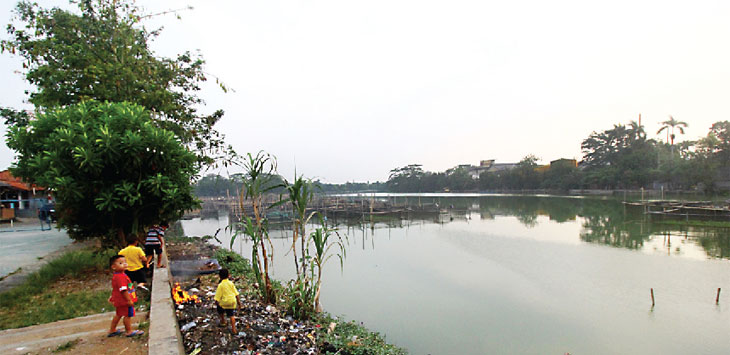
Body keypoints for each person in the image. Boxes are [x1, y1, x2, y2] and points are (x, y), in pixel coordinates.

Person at [108, 255, 144, 337]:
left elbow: (115, 288)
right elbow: (123, 290)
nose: (124, 264)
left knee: (119, 314)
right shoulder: (121, 277)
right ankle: (129, 331)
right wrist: (129, 300)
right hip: (124, 301)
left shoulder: (118, 275)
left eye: (125, 262)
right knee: (128, 315)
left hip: (119, 300)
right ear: (113, 267)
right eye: (121, 263)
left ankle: (112, 330)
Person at [214, 268, 240, 334]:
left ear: (219, 276)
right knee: (231, 315)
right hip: (232, 302)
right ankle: (234, 329)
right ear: (228, 275)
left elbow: (217, 297)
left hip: (224, 303)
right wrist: (239, 303)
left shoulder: (220, 285)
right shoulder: (231, 283)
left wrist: (216, 303)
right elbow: (236, 294)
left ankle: (223, 322)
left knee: (220, 309)